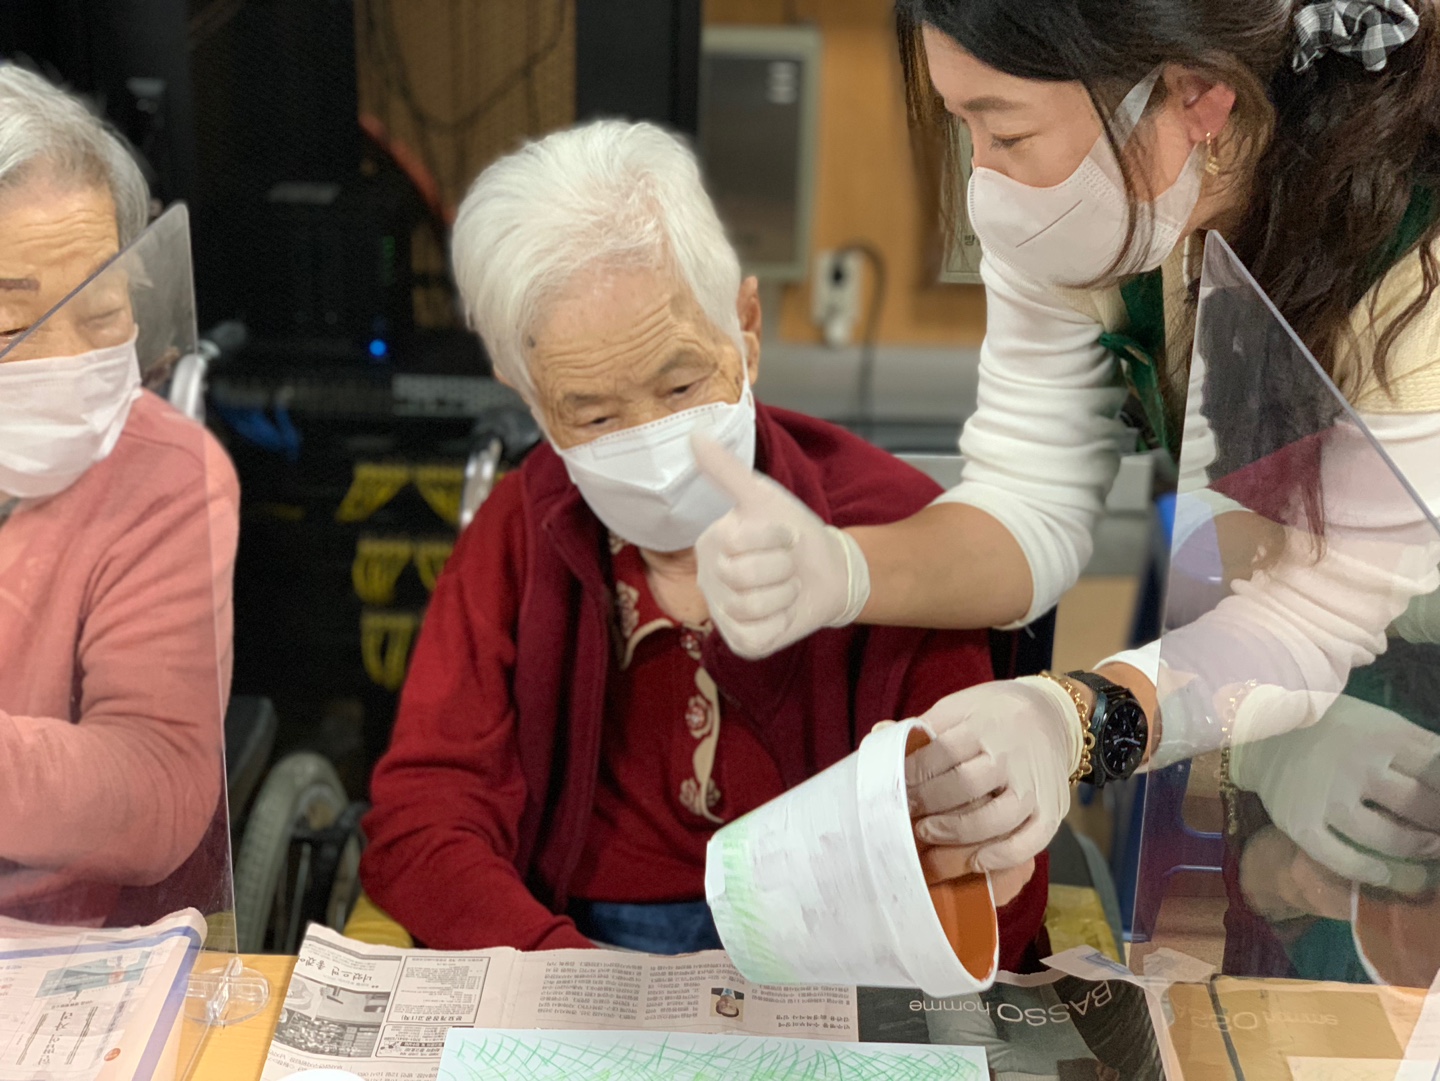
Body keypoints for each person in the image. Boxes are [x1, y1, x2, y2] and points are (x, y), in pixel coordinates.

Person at [688, 0, 1440, 975]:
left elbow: (1310, 617)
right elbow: (1028, 502)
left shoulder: (1413, 271)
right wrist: (842, 567)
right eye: (963, 125)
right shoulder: (1106, 212)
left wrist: (1072, 719)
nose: (984, 180)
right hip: (1303, 676)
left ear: (1198, 97)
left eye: (1006, 133)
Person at [359, 120, 1047, 962]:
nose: (653, 444)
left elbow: (996, 887)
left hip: (835, 948)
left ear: (746, 328)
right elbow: (423, 816)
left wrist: (974, 865)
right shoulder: (521, 532)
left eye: (682, 384)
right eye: (594, 415)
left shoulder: (895, 531)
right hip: (577, 936)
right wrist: (563, 971)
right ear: (526, 394)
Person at [0, 65, 240, 924]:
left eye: (102, 312)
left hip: (51, 936)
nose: (67, 360)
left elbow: (158, 789)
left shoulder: (166, 476)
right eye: (10, 326)